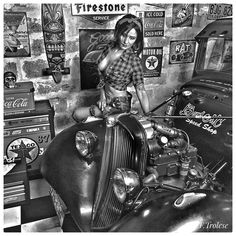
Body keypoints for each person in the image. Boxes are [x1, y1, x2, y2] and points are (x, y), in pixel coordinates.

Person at [73, 14, 150, 122]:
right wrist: (102, 95)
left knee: (78, 114)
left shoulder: (133, 60)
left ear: (136, 39)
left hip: (119, 105)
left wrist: (148, 115)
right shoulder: (109, 47)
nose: (126, 41)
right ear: (118, 32)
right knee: (78, 117)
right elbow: (102, 75)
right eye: (123, 35)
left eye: (132, 38)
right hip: (105, 101)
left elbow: (141, 91)